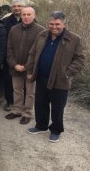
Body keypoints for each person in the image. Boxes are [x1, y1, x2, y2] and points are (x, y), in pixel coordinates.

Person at [26, 11, 85, 142]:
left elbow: (80, 59)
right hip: (42, 77)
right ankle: (41, 125)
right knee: (40, 103)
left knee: (58, 107)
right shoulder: (42, 35)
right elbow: (32, 52)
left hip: (60, 80)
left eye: (57, 24)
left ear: (64, 24)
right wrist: (30, 69)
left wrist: (67, 72)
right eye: (51, 24)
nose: (54, 27)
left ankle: (56, 130)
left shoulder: (74, 39)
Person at [5, 7, 44, 124]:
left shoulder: (41, 31)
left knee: (30, 93)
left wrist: (27, 66)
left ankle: (27, 113)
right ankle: (17, 110)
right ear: (20, 16)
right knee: (17, 90)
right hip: (15, 67)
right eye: (24, 15)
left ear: (34, 15)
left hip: (31, 69)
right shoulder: (14, 29)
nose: (26, 17)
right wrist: (13, 64)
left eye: (29, 14)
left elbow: (39, 52)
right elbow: (9, 49)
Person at [1, 0, 26, 111]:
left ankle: (21, 104)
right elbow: (3, 41)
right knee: (8, 80)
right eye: (14, 6)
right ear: (11, 8)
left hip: (24, 58)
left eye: (19, 6)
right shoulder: (5, 22)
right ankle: (9, 101)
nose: (16, 8)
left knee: (23, 83)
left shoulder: (29, 20)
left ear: (23, 7)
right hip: (9, 57)